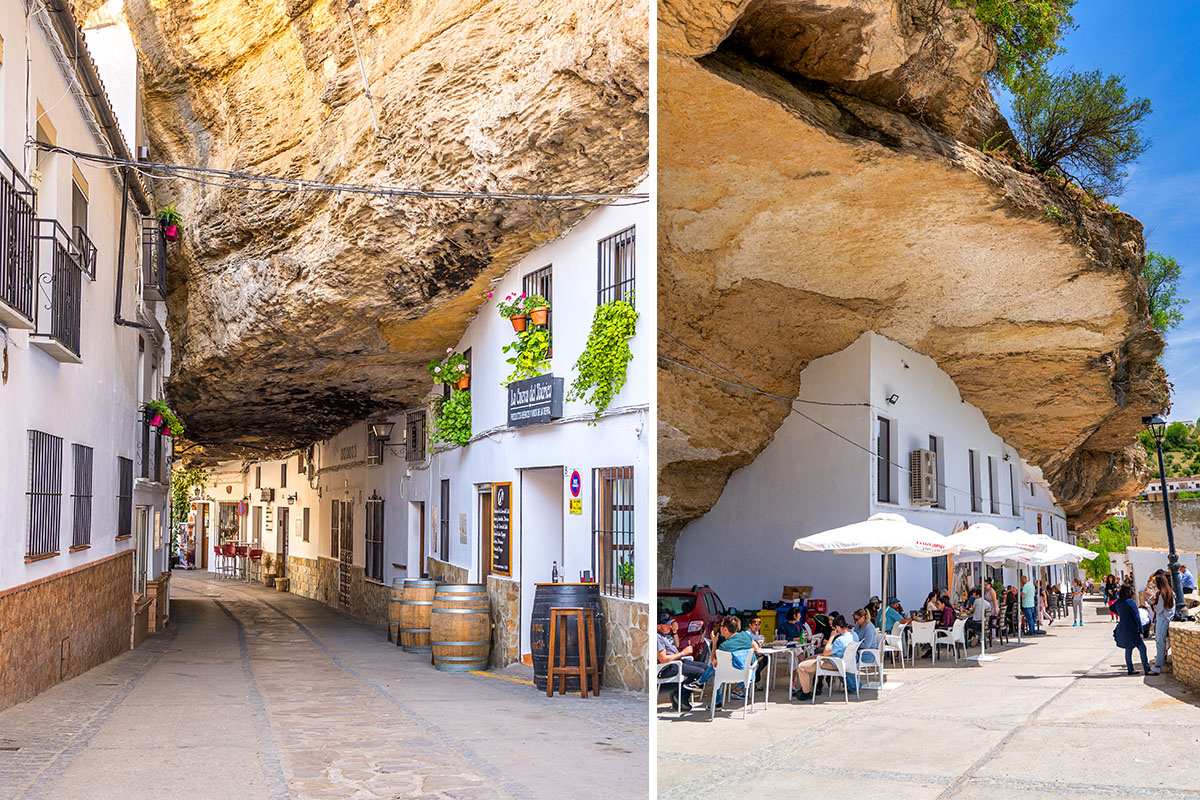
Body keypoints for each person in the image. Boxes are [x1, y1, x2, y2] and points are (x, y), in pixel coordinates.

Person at [793, 613, 857, 701]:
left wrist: (831, 637)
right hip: (844, 662)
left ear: (837, 628)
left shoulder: (840, 640)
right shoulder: (854, 636)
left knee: (801, 667)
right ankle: (805, 688)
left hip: (834, 663)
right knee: (808, 660)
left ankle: (806, 692)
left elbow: (826, 652)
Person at [657, 611, 704, 711]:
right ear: (658, 626)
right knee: (700, 673)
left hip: (677, 661)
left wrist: (674, 632)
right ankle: (680, 695)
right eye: (667, 624)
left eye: (670, 623)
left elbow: (676, 645)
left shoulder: (666, 634)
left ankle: (680, 694)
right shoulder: (657, 637)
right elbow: (663, 659)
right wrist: (683, 653)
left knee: (706, 669)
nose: (670, 626)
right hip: (668, 667)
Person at [1112, 584, 1151, 676]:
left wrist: (1121, 614)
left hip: (1123, 628)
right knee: (1142, 648)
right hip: (1133, 629)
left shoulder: (1119, 602)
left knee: (1128, 649)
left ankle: (1130, 669)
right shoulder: (1130, 602)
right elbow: (1137, 617)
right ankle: (1147, 669)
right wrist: (1141, 631)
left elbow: (1111, 607)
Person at [1148, 573, 1174, 676]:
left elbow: (1158, 609)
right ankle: (1160, 662)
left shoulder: (1162, 595)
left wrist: (1154, 603)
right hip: (1166, 619)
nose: (1154, 585)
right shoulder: (1169, 592)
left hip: (1162, 620)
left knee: (1160, 642)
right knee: (1163, 642)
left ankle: (1158, 666)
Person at [746, 615, 770, 689]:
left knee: (766, 659)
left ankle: (756, 677)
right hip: (750, 654)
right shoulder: (748, 634)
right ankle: (757, 681)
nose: (757, 626)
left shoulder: (757, 633)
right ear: (750, 625)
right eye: (755, 625)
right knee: (760, 661)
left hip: (757, 652)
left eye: (759, 625)